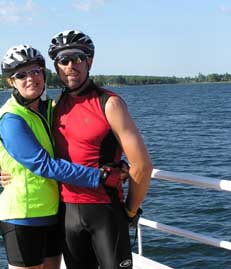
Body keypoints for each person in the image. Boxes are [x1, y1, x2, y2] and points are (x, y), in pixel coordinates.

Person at [0, 44, 123, 269]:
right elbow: (42, 164)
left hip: (53, 212)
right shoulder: (11, 118)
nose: (30, 79)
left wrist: (116, 163)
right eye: (21, 75)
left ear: (44, 74)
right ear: (11, 82)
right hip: (22, 215)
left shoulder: (48, 110)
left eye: (36, 71)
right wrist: (99, 176)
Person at [48, 29, 153, 269]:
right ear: (56, 67)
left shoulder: (110, 103)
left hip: (105, 211)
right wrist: (3, 167)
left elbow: (142, 166)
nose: (69, 66)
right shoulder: (55, 107)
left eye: (76, 58)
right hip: (65, 212)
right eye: (63, 61)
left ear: (89, 61)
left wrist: (129, 211)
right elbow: (34, 152)